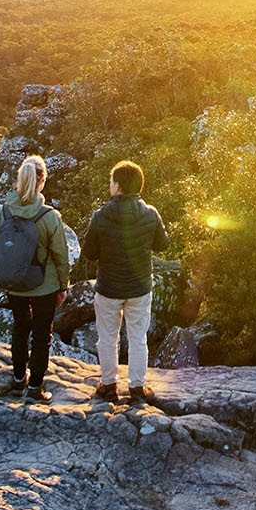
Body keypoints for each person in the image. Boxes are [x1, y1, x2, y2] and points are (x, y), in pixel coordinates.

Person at [80, 160, 169, 403]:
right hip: (139, 288)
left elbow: (89, 252)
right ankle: (137, 388)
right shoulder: (151, 214)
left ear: (117, 186)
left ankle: (109, 385)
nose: (110, 185)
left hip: (108, 288)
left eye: (111, 181)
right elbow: (163, 244)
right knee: (138, 337)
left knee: (107, 338)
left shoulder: (100, 216)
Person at [0, 155, 71, 402]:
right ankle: (35, 388)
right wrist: (62, 286)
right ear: (42, 181)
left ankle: (17, 381)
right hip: (44, 285)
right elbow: (60, 254)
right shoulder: (49, 216)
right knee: (41, 335)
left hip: (14, 283)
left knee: (19, 328)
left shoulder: (4, 212)